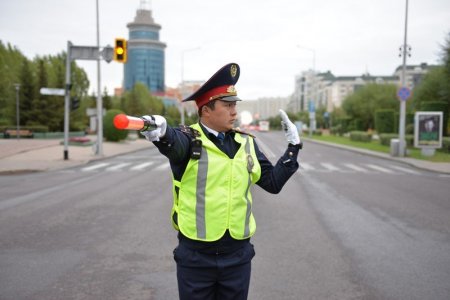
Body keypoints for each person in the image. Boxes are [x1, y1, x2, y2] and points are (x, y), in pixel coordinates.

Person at [140, 63, 301, 300]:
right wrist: (162, 133)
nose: (234, 112)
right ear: (206, 110)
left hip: (237, 257)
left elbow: (272, 183)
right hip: (196, 258)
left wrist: (293, 148)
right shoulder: (189, 139)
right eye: (227, 105)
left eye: (234, 105)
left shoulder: (247, 143)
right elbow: (173, 141)